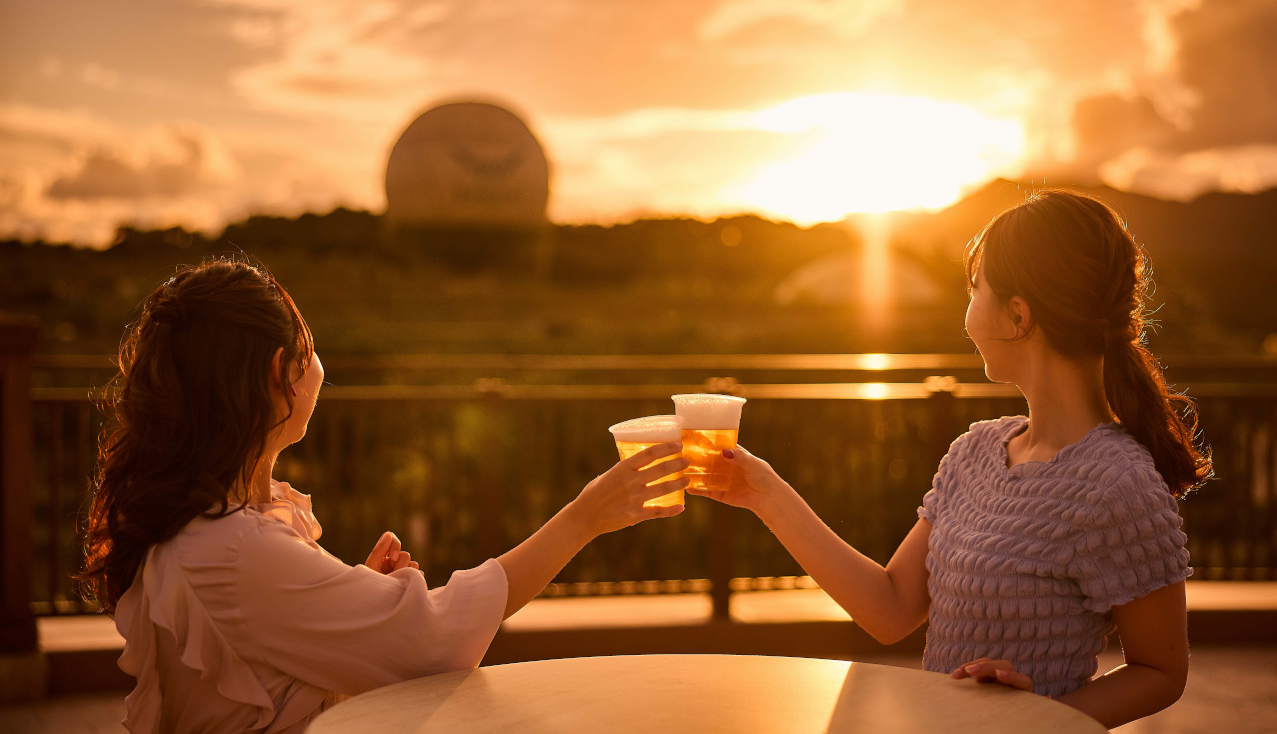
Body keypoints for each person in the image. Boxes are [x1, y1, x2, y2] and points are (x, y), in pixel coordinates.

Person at [78, 259, 688, 734]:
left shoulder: (207, 527)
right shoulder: (236, 547)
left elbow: (266, 661)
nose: (319, 370)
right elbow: (436, 639)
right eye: (309, 351)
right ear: (277, 374)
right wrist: (585, 517)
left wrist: (354, 604)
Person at [690, 189, 1212, 729]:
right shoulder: (975, 453)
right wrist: (763, 492)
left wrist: (1034, 721)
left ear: (1017, 315)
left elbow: (1160, 671)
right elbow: (889, 609)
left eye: (974, 289)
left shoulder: (1118, 483)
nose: (966, 317)